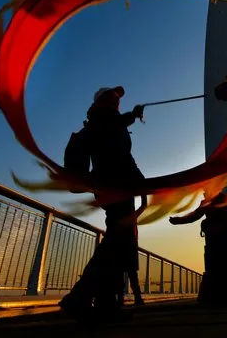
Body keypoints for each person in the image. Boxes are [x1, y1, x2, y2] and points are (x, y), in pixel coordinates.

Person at [59, 86, 146, 319]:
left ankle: (106, 301)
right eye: (113, 98)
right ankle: (80, 296)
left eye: (117, 99)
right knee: (117, 241)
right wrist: (139, 181)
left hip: (116, 189)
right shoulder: (106, 123)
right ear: (104, 102)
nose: (117, 102)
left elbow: (120, 137)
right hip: (116, 188)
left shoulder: (104, 122)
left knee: (120, 241)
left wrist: (133, 116)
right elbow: (121, 152)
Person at [169, 192, 227, 306]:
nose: (203, 192)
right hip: (222, 237)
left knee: (218, 266)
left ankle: (220, 297)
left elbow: (194, 216)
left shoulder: (216, 202)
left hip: (220, 237)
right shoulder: (211, 202)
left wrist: (178, 221)